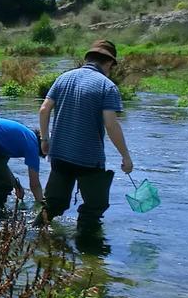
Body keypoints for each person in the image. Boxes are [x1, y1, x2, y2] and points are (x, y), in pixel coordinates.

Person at [36, 40, 134, 229]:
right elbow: (111, 125)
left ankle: (32, 239)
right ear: (109, 63)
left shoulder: (64, 78)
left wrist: (45, 140)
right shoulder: (107, 86)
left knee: (54, 204)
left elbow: (43, 110)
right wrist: (126, 156)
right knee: (94, 207)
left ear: (88, 58)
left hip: (59, 154)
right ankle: (88, 253)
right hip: (89, 158)